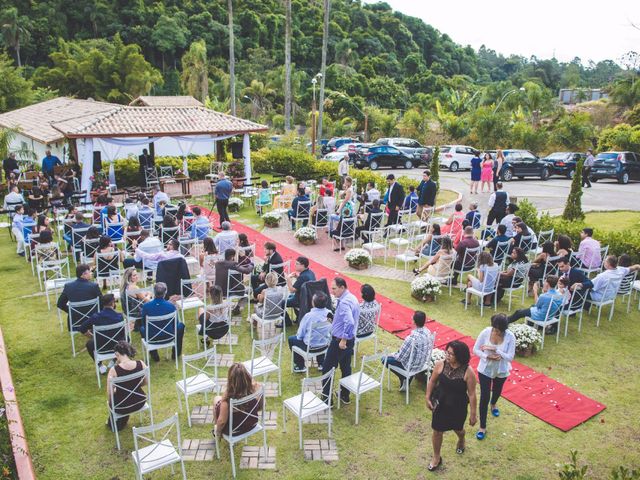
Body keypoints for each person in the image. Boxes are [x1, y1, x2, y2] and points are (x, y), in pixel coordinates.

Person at [426, 340, 477, 471]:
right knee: (437, 430)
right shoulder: (440, 365)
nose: (447, 356)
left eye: (451, 354)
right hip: (440, 403)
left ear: (459, 356)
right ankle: (436, 457)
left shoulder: (468, 372)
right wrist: (427, 397)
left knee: (458, 429)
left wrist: (473, 414)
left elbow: (472, 394)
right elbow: (432, 381)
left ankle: (461, 439)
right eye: (446, 352)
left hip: (457, 407)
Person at [473, 313, 515, 440]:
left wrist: (496, 350)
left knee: (497, 391)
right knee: (484, 397)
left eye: (499, 330)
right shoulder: (486, 332)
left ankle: (494, 404)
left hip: (501, 370)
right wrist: (487, 356)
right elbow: (475, 349)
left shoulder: (510, 337)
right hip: (485, 369)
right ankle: (482, 427)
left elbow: (510, 357)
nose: (496, 332)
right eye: (495, 329)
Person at [322, 277, 359, 404]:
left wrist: (343, 339)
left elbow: (349, 322)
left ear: (342, 287)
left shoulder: (343, 302)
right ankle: (345, 395)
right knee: (345, 367)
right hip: (350, 340)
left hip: (340, 342)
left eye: (334, 289)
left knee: (327, 369)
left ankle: (326, 399)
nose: (332, 292)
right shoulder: (352, 297)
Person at [382, 311, 434, 391]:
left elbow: (400, 358)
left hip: (411, 366)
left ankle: (404, 377)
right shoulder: (428, 332)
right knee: (399, 353)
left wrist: (392, 354)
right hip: (422, 363)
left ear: (414, 321)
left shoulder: (411, 338)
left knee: (384, 359)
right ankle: (405, 378)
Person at [106, 341, 148, 431]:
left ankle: (113, 424)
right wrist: (133, 386)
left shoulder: (113, 370)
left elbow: (109, 393)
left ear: (117, 353)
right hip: (140, 402)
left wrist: (111, 404)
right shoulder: (141, 364)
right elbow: (146, 382)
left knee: (113, 398)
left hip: (122, 407)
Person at [213, 363, 263, 439]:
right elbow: (260, 407)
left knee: (217, 399)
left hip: (233, 432)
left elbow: (222, 422)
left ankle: (217, 434)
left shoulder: (227, 400)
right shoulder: (256, 389)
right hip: (252, 425)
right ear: (246, 376)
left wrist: (218, 431)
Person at [79, 294, 126, 373]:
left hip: (100, 347)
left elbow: (82, 328)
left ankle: (100, 365)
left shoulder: (95, 317)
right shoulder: (119, 316)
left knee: (89, 344)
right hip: (117, 347)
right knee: (125, 338)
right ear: (113, 303)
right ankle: (115, 359)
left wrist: (92, 337)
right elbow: (122, 334)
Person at [140, 282, 185, 361]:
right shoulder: (171, 306)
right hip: (169, 337)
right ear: (166, 292)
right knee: (180, 325)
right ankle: (176, 353)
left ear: (154, 292)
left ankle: (154, 356)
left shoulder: (146, 306)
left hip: (151, 338)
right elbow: (176, 324)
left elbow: (143, 324)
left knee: (142, 328)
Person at [288, 293, 332, 373]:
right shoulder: (329, 313)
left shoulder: (309, 316)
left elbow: (300, 335)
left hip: (310, 347)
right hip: (324, 345)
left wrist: (301, 338)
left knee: (291, 339)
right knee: (320, 337)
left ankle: (300, 365)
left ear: (313, 303)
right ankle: (321, 363)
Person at [57, 264, 102, 330]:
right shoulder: (94, 286)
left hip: (75, 320)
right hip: (92, 320)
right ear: (83, 274)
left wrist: (71, 311)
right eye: (89, 271)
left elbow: (60, 304)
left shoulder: (68, 286)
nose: (91, 273)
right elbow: (102, 303)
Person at [214, 249, 253, 315]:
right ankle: (238, 307)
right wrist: (251, 264)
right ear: (232, 256)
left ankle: (233, 308)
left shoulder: (217, 264)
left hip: (218, 290)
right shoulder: (233, 264)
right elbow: (247, 271)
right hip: (231, 291)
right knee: (249, 289)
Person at [282, 256, 316, 326]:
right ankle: (298, 318)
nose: (295, 265)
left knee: (281, 303)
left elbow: (292, 290)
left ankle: (287, 322)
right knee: (290, 296)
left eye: (297, 264)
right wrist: (297, 277)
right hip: (308, 299)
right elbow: (303, 283)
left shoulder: (303, 277)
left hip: (300, 300)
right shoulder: (310, 272)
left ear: (303, 265)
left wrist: (288, 279)